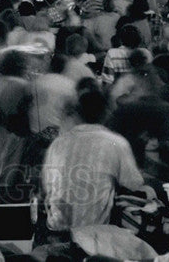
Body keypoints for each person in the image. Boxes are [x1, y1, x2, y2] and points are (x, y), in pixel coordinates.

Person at [41, 89, 145, 236]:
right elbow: (134, 184)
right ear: (106, 113)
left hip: (57, 230)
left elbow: (48, 186)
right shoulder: (116, 142)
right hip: (94, 234)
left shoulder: (58, 143)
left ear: (78, 114)